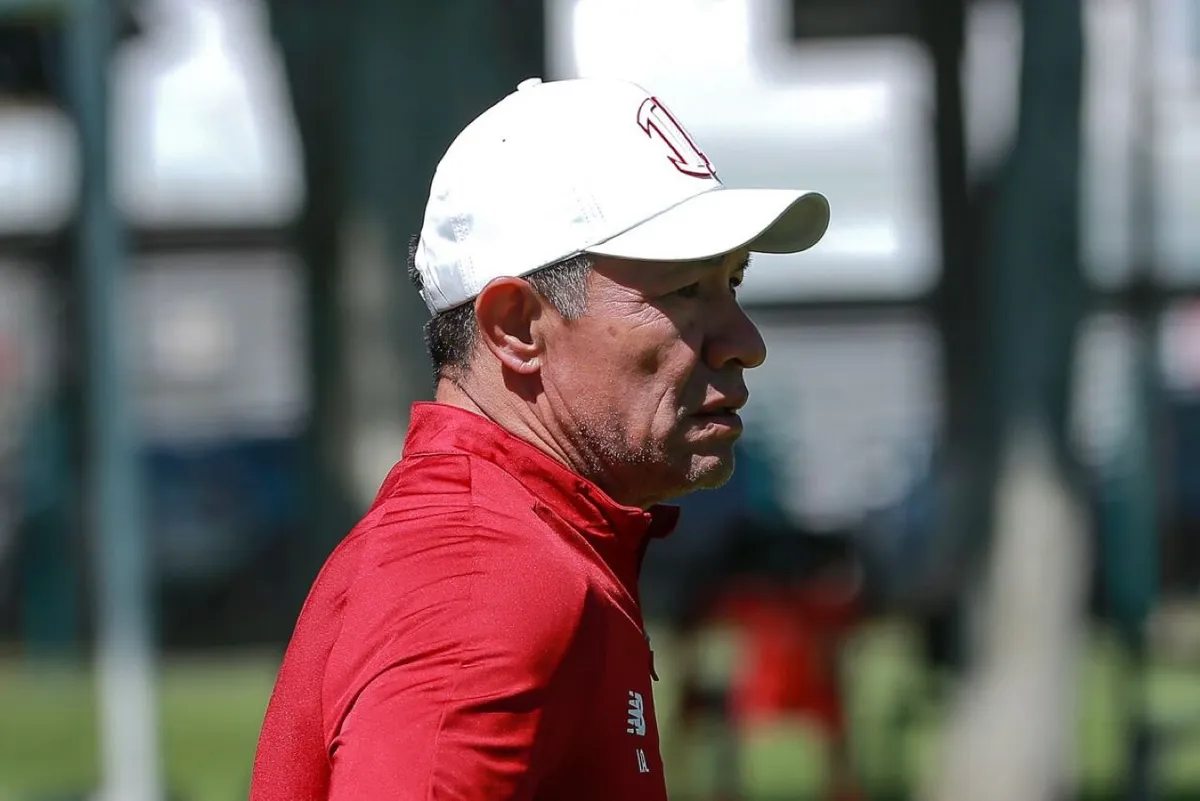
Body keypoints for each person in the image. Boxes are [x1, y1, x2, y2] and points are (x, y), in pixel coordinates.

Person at [249, 76, 829, 801]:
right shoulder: (479, 573)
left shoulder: (523, 545)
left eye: (732, 283)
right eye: (684, 289)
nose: (745, 342)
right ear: (518, 327)